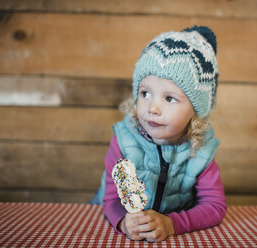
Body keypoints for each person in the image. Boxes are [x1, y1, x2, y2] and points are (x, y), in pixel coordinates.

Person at [90, 25, 227, 242]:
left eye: (169, 98)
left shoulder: (200, 151)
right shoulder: (123, 143)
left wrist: (172, 224)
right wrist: (123, 221)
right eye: (145, 93)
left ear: (195, 110)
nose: (152, 108)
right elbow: (110, 199)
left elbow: (215, 206)